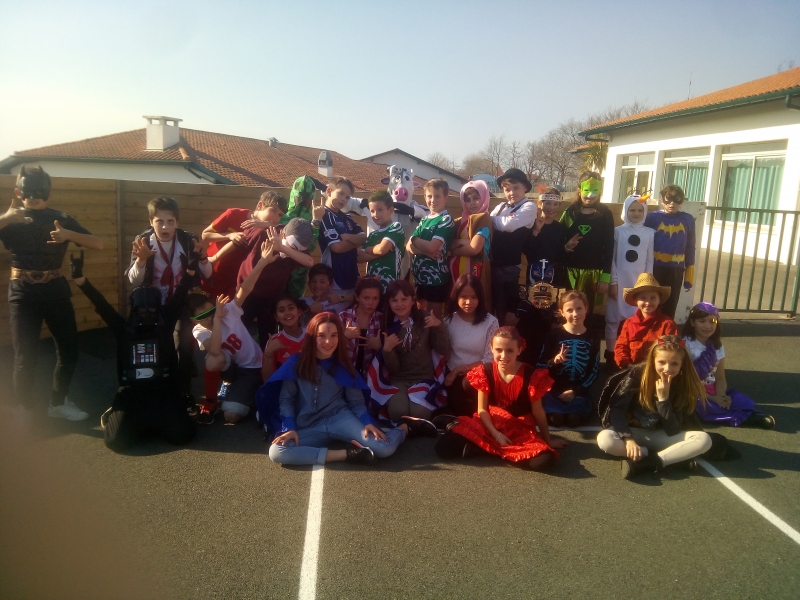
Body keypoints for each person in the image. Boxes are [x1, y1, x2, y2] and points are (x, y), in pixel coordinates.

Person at [0, 165, 103, 420]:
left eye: (40, 191)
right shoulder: (10, 220)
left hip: (55, 290)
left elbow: (98, 244)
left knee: (69, 351)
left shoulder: (62, 218)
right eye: (29, 191)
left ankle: (58, 403)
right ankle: (23, 408)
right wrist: (6, 219)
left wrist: (68, 234)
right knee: (25, 356)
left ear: (49, 193)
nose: (34, 196)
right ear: (18, 192)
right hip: (23, 294)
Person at [263, 312, 433, 466]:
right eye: (321, 336)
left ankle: (404, 428)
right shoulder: (296, 363)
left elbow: (356, 402)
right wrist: (289, 428)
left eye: (334, 335)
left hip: (340, 418)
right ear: (312, 337)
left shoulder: (343, 365)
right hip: (309, 424)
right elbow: (286, 399)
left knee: (383, 449)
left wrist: (367, 421)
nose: (328, 342)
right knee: (277, 452)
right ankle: (349, 454)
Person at [71, 253, 196, 449]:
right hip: (132, 395)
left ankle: (150, 423)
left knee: (183, 435)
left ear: (158, 307)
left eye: (151, 309)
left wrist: (189, 271)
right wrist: (80, 280)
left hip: (164, 392)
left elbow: (180, 295)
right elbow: (101, 304)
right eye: (142, 310)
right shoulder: (123, 329)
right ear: (134, 308)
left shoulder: (165, 325)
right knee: (115, 441)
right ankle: (135, 419)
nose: (147, 313)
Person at [434, 327, 568, 471]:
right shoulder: (484, 371)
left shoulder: (531, 375)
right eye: (499, 350)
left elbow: (538, 412)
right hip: (490, 424)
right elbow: (482, 410)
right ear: (491, 348)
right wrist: (496, 434)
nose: (503, 356)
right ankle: (494, 448)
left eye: (510, 350)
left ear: (519, 350)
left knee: (544, 461)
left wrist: (548, 440)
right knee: (443, 448)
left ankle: (480, 448)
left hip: (519, 429)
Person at [125, 196, 211, 405]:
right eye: (159, 221)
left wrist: (202, 257)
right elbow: (133, 280)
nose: (165, 226)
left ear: (177, 222)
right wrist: (141, 260)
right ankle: (159, 386)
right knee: (158, 345)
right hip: (154, 304)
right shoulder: (143, 241)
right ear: (151, 221)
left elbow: (207, 273)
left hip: (180, 301)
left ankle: (184, 392)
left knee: (183, 345)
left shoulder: (188, 240)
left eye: (170, 221)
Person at [597, 335, 712, 479]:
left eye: (674, 364)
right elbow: (617, 409)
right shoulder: (637, 374)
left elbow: (672, 430)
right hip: (634, 432)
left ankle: (653, 461)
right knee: (605, 439)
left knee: (704, 440)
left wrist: (663, 399)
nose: (667, 369)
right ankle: (673, 459)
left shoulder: (682, 383)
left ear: (682, 364)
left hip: (661, 435)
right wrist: (628, 439)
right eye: (661, 362)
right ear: (652, 360)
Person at [189, 239, 277, 424]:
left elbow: (245, 289)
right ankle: (211, 402)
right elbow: (214, 351)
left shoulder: (228, 311)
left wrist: (262, 262)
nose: (209, 318)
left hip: (252, 368)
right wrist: (217, 320)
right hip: (231, 368)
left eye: (211, 311)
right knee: (213, 359)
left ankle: (249, 390)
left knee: (231, 414)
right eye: (202, 316)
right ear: (194, 320)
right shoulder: (199, 330)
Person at [368, 280, 450, 423]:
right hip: (399, 379)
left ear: (413, 300)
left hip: (424, 378)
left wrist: (439, 326)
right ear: (389, 303)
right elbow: (394, 369)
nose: (400, 304)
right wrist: (387, 349)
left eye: (404, 299)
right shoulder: (387, 324)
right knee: (398, 412)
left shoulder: (425, 319)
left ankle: (411, 427)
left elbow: (443, 349)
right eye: (394, 300)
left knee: (419, 414)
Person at [682, 302, 775, 429]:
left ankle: (742, 414)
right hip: (692, 390)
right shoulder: (686, 344)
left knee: (739, 400)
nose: (708, 326)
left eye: (712, 321)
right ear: (692, 322)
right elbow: (686, 379)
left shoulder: (717, 346)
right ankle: (748, 419)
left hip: (712, 390)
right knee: (701, 405)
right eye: (702, 321)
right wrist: (713, 398)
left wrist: (721, 395)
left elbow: (720, 377)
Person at [226, 218, 314, 348]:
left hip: (271, 300)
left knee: (267, 339)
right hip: (246, 295)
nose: (293, 251)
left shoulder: (297, 243)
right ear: (282, 234)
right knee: (236, 333)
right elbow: (237, 245)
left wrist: (283, 248)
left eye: (297, 250)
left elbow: (309, 262)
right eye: (292, 246)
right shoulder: (261, 234)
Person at [201, 191, 287, 298]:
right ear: (260, 205)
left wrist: (268, 225)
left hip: (236, 282)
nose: (276, 217)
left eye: (280, 215)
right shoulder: (233, 214)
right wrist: (229, 235)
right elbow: (205, 235)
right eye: (273, 210)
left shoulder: (270, 231)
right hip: (212, 271)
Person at [537, 290, 600, 428]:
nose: (575, 314)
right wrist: (554, 362)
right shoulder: (554, 335)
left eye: (579, 308)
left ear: (586, 308)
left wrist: (576, 391)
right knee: (556, 420)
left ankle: (578, 408)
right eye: (569, 310)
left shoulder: (593, 337)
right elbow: (540, 364)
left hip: (578, 391)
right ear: (562, 312)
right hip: (554, 390)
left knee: (574, 420)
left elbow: (594, 370)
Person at [605, 195, 654, 370]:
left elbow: (649, 260)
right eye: (632, 210)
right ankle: (611, 355)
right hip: (619, 282)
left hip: (638, 284)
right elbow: (611, 259)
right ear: (625, 211)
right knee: (613, 320)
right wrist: (613, 281)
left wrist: (647, 284)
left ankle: (633, 355)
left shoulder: (649, 233)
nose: (636, 213)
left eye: (640, 210)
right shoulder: (618, 232)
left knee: (636, 320)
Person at [560, 171, 615, 317]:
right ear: (579, 190)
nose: (590, 195)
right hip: (570, 273)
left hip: (593, 275)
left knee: (587, 312)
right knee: (570, 311)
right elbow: (558, 239)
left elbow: (609, 246)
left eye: (595, 191)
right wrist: (566, 246)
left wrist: (605, 277)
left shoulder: (605, 214)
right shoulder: (570, 212)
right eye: (586, 191)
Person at [443, 274, 498, 416]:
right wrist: (454, 372)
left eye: (474, 297)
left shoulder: (490, 322)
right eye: (463, 297)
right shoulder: (448, 321)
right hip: (452, 376)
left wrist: (460, 369)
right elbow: (444, 353)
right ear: (456, 297)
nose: (469, 302)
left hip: (480, 376)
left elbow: (490, 359)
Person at [490, 168, 538, 325]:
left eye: (516, 188)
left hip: (510, 268)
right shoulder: (501, 206)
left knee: (504, 310)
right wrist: (499, 220)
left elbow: (508, 226)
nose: (511, 193)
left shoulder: (529, 207)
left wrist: (497, 220)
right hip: (492, 264)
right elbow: (488, 220)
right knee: (490, 307)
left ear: (525, 187)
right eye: (507, 189)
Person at [645, 185, 696, 319]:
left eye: (676, 200)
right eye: (668, 200)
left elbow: (690, 246)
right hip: (654, 267)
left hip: (675, 268)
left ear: (682, 201)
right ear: (661, 200)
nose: (672, 203)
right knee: (651, 304)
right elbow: (644, 243)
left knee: (670, 305)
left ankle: (666, 330)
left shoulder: (687, 219)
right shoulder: (652, 218)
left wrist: (689, 275)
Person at [407, 178, 456, 318]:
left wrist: (415, 239)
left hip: (435, 279)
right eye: (429, 196)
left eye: (437, 196)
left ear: (446, 198)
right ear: (424, 197)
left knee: (432, 320)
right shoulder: (424, 219)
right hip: (419, 278)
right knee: (419, 318)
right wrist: (423, 251)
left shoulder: (445, 219)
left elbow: (432, 247)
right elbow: (408, 246)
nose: (433, 200)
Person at [313, 176, 366, 296]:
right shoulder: (324, 215)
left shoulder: (347, 217)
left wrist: (347, 237)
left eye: (347, 197)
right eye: (341, 193)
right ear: (329, 191)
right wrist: (355, 241)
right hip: (334, 280)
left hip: (353, 277)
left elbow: (363, 238)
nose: (343, 199)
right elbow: (336, 247)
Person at [614, 273, 678, 369]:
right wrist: (627, 364)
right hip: (632, 369)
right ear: (636, 301)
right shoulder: (629, 323)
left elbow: (673, 350)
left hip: (658, 371)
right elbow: (621, 347)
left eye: (653, 298)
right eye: (643, 298)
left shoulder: (668, 324)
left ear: (659, 300)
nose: (648, 303)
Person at [450, 180, 493, 310]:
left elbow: (474, 249)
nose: (472, 203)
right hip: (457, 273)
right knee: (458, 306)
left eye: (476, 198)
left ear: (484, 197)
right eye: (467, 200)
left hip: (476, 271)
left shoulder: (483, 219)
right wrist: (462, 242)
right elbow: (448, 245)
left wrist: (455, 251)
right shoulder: (460, 221)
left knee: (475, 304)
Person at [357, 190, 405, 292]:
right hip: (372, 289)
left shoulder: (395, 227)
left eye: (380, 210)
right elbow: (360, 257)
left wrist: (369, 249)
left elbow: (381, 250)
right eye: (372, 211)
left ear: (391, 210)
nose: (376, 214)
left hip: (390, 287)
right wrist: (381, 250)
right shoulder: (372, 235)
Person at [282, 175, 321, 298]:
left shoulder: (313, 220)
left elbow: (310, 247)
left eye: (308, 197)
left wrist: (316, 222)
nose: (303, 200)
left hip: (298, 277)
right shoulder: (281, 216)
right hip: (279, 273)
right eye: (300, 196)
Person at [338, 278, 383, 378]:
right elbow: (331, 350)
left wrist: (380, 347)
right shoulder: (343, 317)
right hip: (345, 373)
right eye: (366, 298)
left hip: (371, 377)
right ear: (357, 297)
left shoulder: (382, 319)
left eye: (375, 298)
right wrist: (345, 337)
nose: (371, 303)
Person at [261, 296, 307, 383]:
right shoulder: (273, 341)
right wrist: (269, 353)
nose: (287, 313)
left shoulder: (313, 334)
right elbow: (267, 379)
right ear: (276, 317)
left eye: (291, 308)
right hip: (287, 388)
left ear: (299, 311)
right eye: (282, 310)